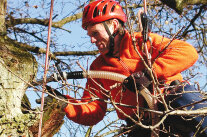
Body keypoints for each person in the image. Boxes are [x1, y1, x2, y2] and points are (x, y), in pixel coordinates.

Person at [46, 0, 206, 136]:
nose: (92, 41)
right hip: (141, 124)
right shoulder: (97, 68)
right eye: (90, 36)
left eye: (95, 33)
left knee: (194, 109)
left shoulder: (143, 41)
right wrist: (66, 103)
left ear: (114, 26)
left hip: (174, 100)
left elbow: (187, 52)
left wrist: (150, 74)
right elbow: (93, 110)